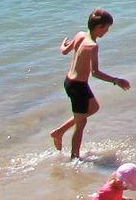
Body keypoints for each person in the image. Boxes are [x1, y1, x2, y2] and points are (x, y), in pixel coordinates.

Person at [51, 10, 129, 160]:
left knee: (93, 107)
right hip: (78, 87)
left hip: (70, 82)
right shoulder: (92, 46)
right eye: (106, 28)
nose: (107, 31)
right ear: (99, 27)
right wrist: (116, 80)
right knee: (80, 125)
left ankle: (59, 131)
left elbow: (64, 51)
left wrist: (63, 45)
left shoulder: (80, 35)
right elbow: (95, 72)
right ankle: (74, 158)